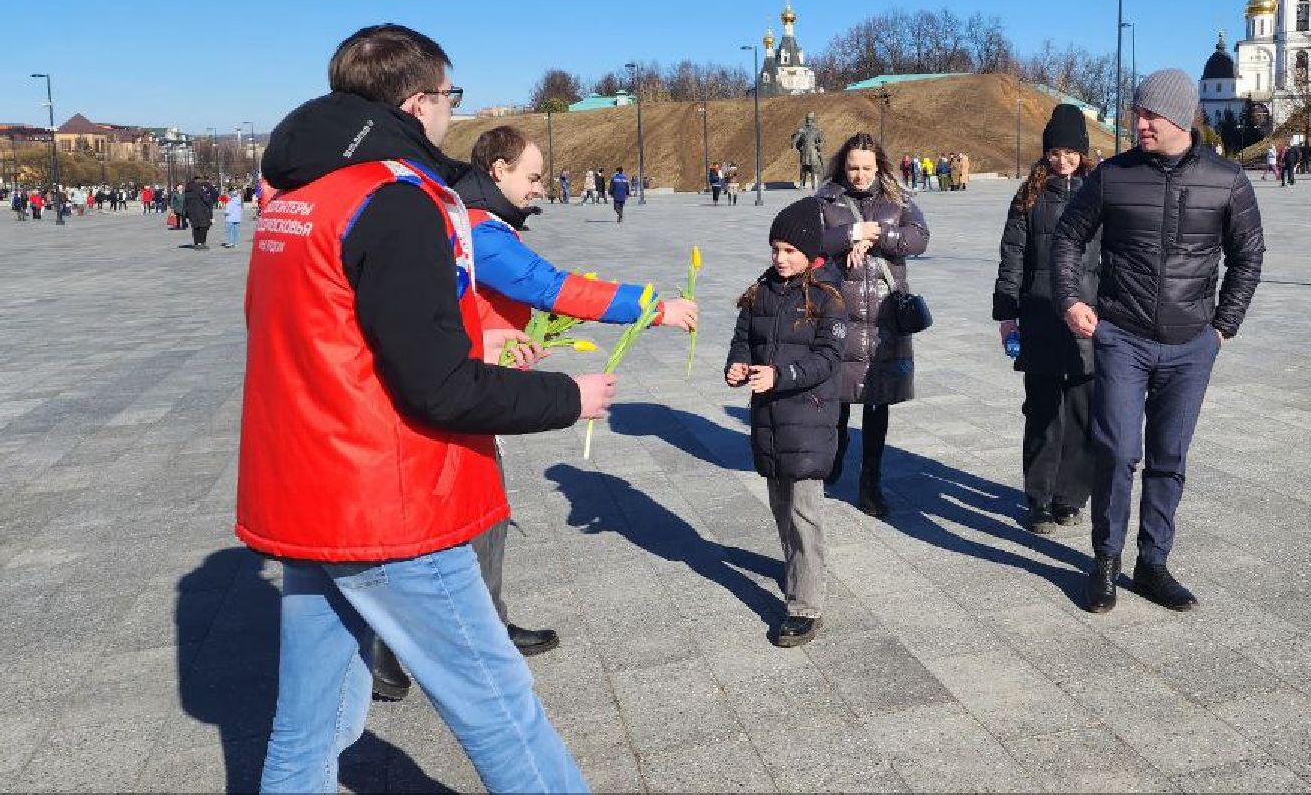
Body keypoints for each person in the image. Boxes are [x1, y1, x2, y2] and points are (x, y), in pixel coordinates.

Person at [240, 23, 604, 793]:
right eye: (449, 97)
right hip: (389, 501)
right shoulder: (392, 200)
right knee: (499, 706)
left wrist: (477, 341)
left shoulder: (296, 197)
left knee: (309, 727)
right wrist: (570, 396)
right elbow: (437, 386)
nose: (450, 114)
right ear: (418, 101)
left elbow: (337, 338)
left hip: (311, 493)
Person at [367, 125, 701, 702]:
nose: (540, 188)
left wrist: (503, 339)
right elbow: (552, 287)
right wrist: (653, 307)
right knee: (443, 528)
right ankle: (389, 650)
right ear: (498, 170)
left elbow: (481, 304)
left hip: (472, 382)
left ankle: (485, 625)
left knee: (486, 516)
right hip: (450, 396)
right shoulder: (479, 228)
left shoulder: (480, 223)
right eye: (533, 176)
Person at [1051, 68, 1264, 615]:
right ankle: (1105, 561)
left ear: (1180, 117)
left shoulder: (1228, 180)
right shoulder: (1114, 176)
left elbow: (1248, 255)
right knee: (1118, 451)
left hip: (1192, 344)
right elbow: (1068, 236)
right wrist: (1072, 300)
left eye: (1150, 115)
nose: (1138, 124)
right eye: (1137, 114)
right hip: (1122, 336)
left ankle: (1153, 564)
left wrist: (1223, 325)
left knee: (1170, 457)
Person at [726, 197, 847, 647]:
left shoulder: (828, 297)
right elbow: (743, 339)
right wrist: (737, 367)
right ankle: (798, 569)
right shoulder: (761, 291)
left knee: (803, 509)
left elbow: (829, 359)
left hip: (808, 420)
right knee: (781, 505)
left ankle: (805, 604)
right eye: (775, 249)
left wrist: (783, 376)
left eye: (789, 251)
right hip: (770, 419)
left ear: (811, 253)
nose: (780, 259)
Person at [993, 105, 1098, 535]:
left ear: (1084, 152)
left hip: (1088, 321)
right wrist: (1006, 314)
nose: (1062, 160)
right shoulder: (1028, 197)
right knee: (1042, 414)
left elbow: (1113, 258)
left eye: (1071, 151)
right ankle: (1038, 498)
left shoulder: (1099, 194)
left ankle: (1069, 497)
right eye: (1055, 151)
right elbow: (1012, 257)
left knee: (1081, 415)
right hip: (1038, 317)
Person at [814, 132, 930, 517]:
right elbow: (809, 242)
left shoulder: (898, 198)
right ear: (841, 167)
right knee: (839, 397)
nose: (860, 175)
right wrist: (851, 234)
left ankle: (870, 482)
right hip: (839, 311)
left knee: (878, 404)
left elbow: (919, 237)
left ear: (878, 166)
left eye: (866, 168)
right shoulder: (825, 200)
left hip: (884, 315)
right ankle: (837, 450)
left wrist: (880, 235)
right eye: (852, 168)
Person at [183, 174, 216, 249]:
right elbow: (207, 200)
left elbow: (185, 203)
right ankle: (201, 243)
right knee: (203, 227)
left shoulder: (187, 191)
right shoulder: (198, 190)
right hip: (202, 212)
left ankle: (197, 243)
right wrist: (210, 200)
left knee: (195, 227)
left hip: (192, 213)